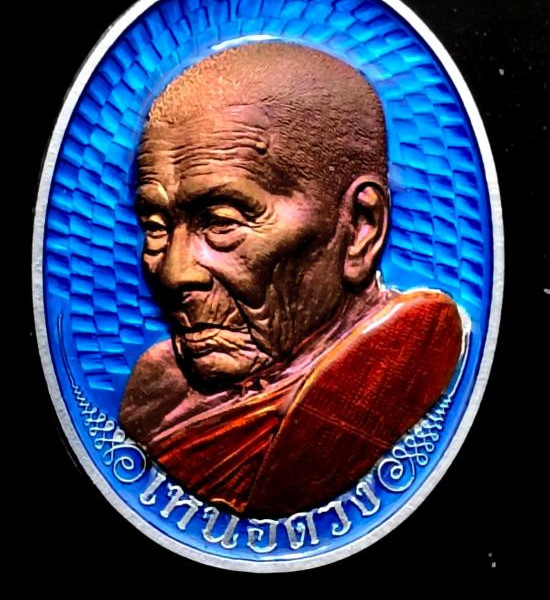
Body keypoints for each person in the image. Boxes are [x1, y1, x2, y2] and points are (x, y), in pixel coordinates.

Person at [120, 41, 464, 519]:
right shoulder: (157, 395)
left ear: (360, 228)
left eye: (221, 222)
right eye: (157, 227)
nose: (175, 273)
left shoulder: (407, 360)